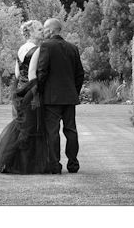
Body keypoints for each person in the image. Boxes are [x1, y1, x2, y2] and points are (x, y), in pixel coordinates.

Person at [0, 20, 51, 174]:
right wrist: (36, 93)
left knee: (22, 125)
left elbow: (17, 74)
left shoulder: (21, 49)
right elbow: (31, 75)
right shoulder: (38, 49)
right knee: (32, 126)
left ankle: (13, 162)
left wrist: (20, 90)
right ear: (30, 32)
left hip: (19, 91)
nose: (42, 31)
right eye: (39, 29)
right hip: (31, 91)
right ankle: (26, 165)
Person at [31, 18, 85, 174]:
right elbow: (80, 74)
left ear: (51, 30)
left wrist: (40, 92)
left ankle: (55, 165)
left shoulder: (46, 46)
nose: (44, 32)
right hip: (69, 97)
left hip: (51, 98)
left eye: (45, 29)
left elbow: (42, 72)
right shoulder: (73, 48)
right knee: (71, 130)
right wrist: (74, 91)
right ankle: (73, 164)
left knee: (52, 132)